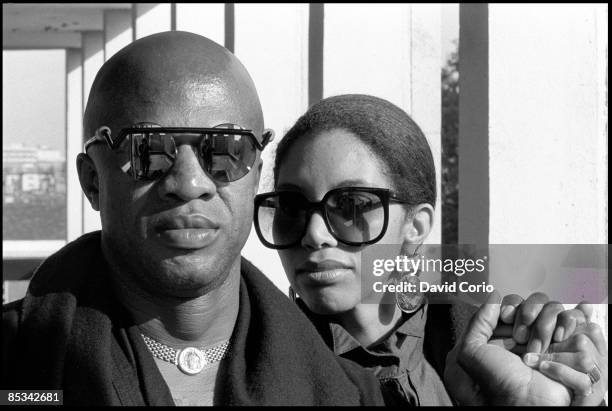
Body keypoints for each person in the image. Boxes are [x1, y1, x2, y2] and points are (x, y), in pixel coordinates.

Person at [1, 31, 385, 406]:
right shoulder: (15, 366)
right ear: (92, 181)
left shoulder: (347, 391)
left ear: (254, 175)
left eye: (226, 150)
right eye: (147, 150)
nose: (189, 183)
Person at [253, 94, 607, 405]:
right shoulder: (253, 368)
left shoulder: (490, 345)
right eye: (291, 207)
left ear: (416, 227)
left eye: (351, 205)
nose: (314, 234)